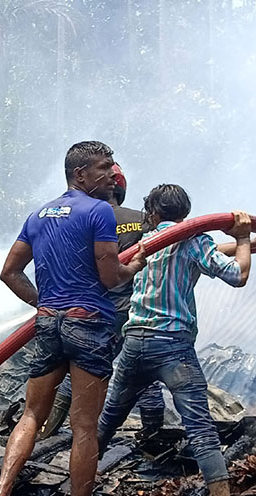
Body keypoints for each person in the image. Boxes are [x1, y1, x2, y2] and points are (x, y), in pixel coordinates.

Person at [97, 185, 256, 496]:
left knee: (106, 425)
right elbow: (237, 274)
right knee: (202, 432)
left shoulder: (144, 243)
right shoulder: (194, 243)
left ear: (151, 213)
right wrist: (245, 238)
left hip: (135, 344)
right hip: (173, 348)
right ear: (185, 215)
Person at [0, 140, 146, 496]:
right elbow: (110, 276)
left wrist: (44, 304)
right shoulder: (99, 211)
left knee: (32, 414)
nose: (112, 174)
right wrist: (132, 267)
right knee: (84, 426)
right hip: (89, 324)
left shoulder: (39, 215)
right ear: (80, 174)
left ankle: (0, 491)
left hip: (50, 324)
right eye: (104, 167)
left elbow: (9, 273)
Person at [41, 165, 165, 440]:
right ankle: (154, 436)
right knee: (142, 370)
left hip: (90, 310)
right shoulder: (144, 221)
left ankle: (47, 433)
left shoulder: (82, 220)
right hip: (132, 309)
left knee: (79, 371)